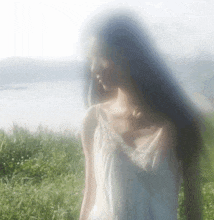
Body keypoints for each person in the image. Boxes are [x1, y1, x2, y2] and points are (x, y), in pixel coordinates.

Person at [79, 8, 207, 220]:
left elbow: (193, 208)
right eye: (91, 59)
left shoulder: (181, 124)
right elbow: (90, 194)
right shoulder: (93, 120)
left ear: (129, 55)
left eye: (102, 57)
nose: (94, 68)